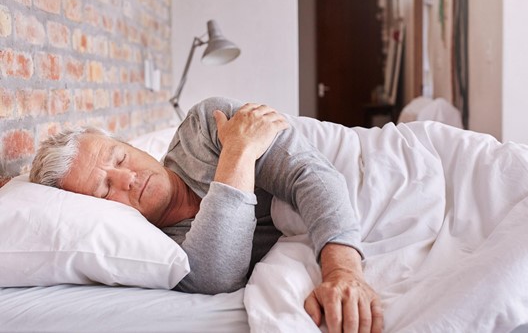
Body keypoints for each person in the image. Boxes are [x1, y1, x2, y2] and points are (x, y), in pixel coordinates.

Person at [29, 97, 383, 333]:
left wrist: (342, 272)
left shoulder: (205, 125)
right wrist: (239, 153)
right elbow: (218, 276)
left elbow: (310, 174)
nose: (128, 178)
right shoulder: (156, 249)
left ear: (130, 145)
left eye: (120, 158)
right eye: (105, 189)